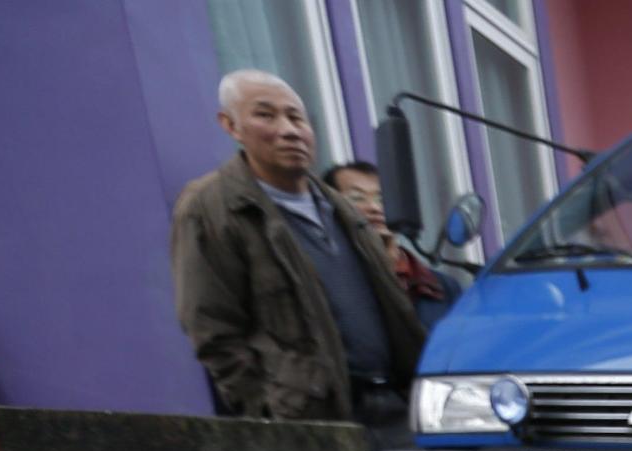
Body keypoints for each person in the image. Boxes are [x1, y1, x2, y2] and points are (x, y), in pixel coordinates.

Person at [171, 71, 424, 428]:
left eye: (295, 117)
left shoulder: (342, 209)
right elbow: (213, 330)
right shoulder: (212, 208)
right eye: (265, 115)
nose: (288, 130)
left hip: (396, 408)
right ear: (230, 125)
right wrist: (268, 412)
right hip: (311, 421)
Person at [327, 158, 455, 327]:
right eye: (357, 198)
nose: (374, 207)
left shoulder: (443, 287)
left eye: (382, 198)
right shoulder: (330, 288)